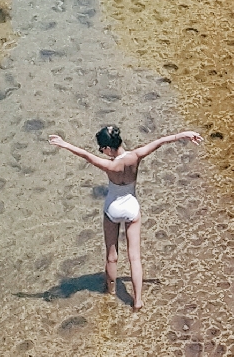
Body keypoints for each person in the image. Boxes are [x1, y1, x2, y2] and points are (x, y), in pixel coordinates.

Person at [47, 124, 203, 310]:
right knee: (134, 258)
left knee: (112, 257)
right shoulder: (136, 156)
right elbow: (160, 141)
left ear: (106, 148)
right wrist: (184, 134)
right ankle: (137, 301)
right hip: (131, 208)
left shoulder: (109, 165)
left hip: (112, 209)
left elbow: (84, 155)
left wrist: (64, 144)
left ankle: (110, 292)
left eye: (101, 148)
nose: (100, 152)